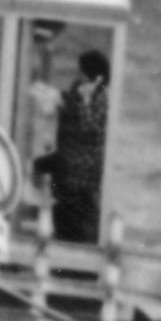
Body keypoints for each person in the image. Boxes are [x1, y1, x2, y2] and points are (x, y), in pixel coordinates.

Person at [46, 51, 112, 244]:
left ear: (96, 76)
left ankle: (73, 246)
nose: (79, 76)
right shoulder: (78, 87)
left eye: (83, 73)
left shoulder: (102, 98)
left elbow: (89, 128)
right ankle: (60, 237)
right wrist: (59, 101)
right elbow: (70, 109)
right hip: (67, 157)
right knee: (61, 206)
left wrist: (86, 100)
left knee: (78, 213)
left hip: (85, 167)